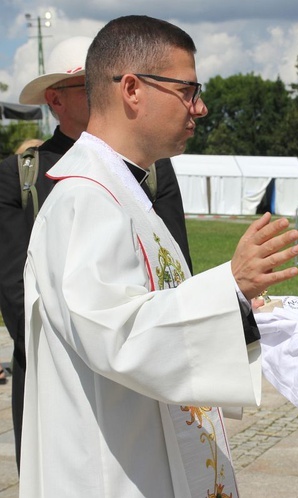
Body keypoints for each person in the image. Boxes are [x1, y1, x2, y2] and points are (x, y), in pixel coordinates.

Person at [19, 15, 298, 496]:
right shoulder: (86, 197)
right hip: (115, 468)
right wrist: (229, 287)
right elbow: (117, 333)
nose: (201, 107)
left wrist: (243, 308)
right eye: (188, 90)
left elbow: (153, 302)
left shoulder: (125, 193)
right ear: (132, 88)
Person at [0, 36, 194, 471]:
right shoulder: (19, 175)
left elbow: (175, 268)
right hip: (52, 366)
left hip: (142, 359)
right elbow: (14, 289)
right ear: (56, 100)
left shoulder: (154, 170)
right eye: (86, 87)